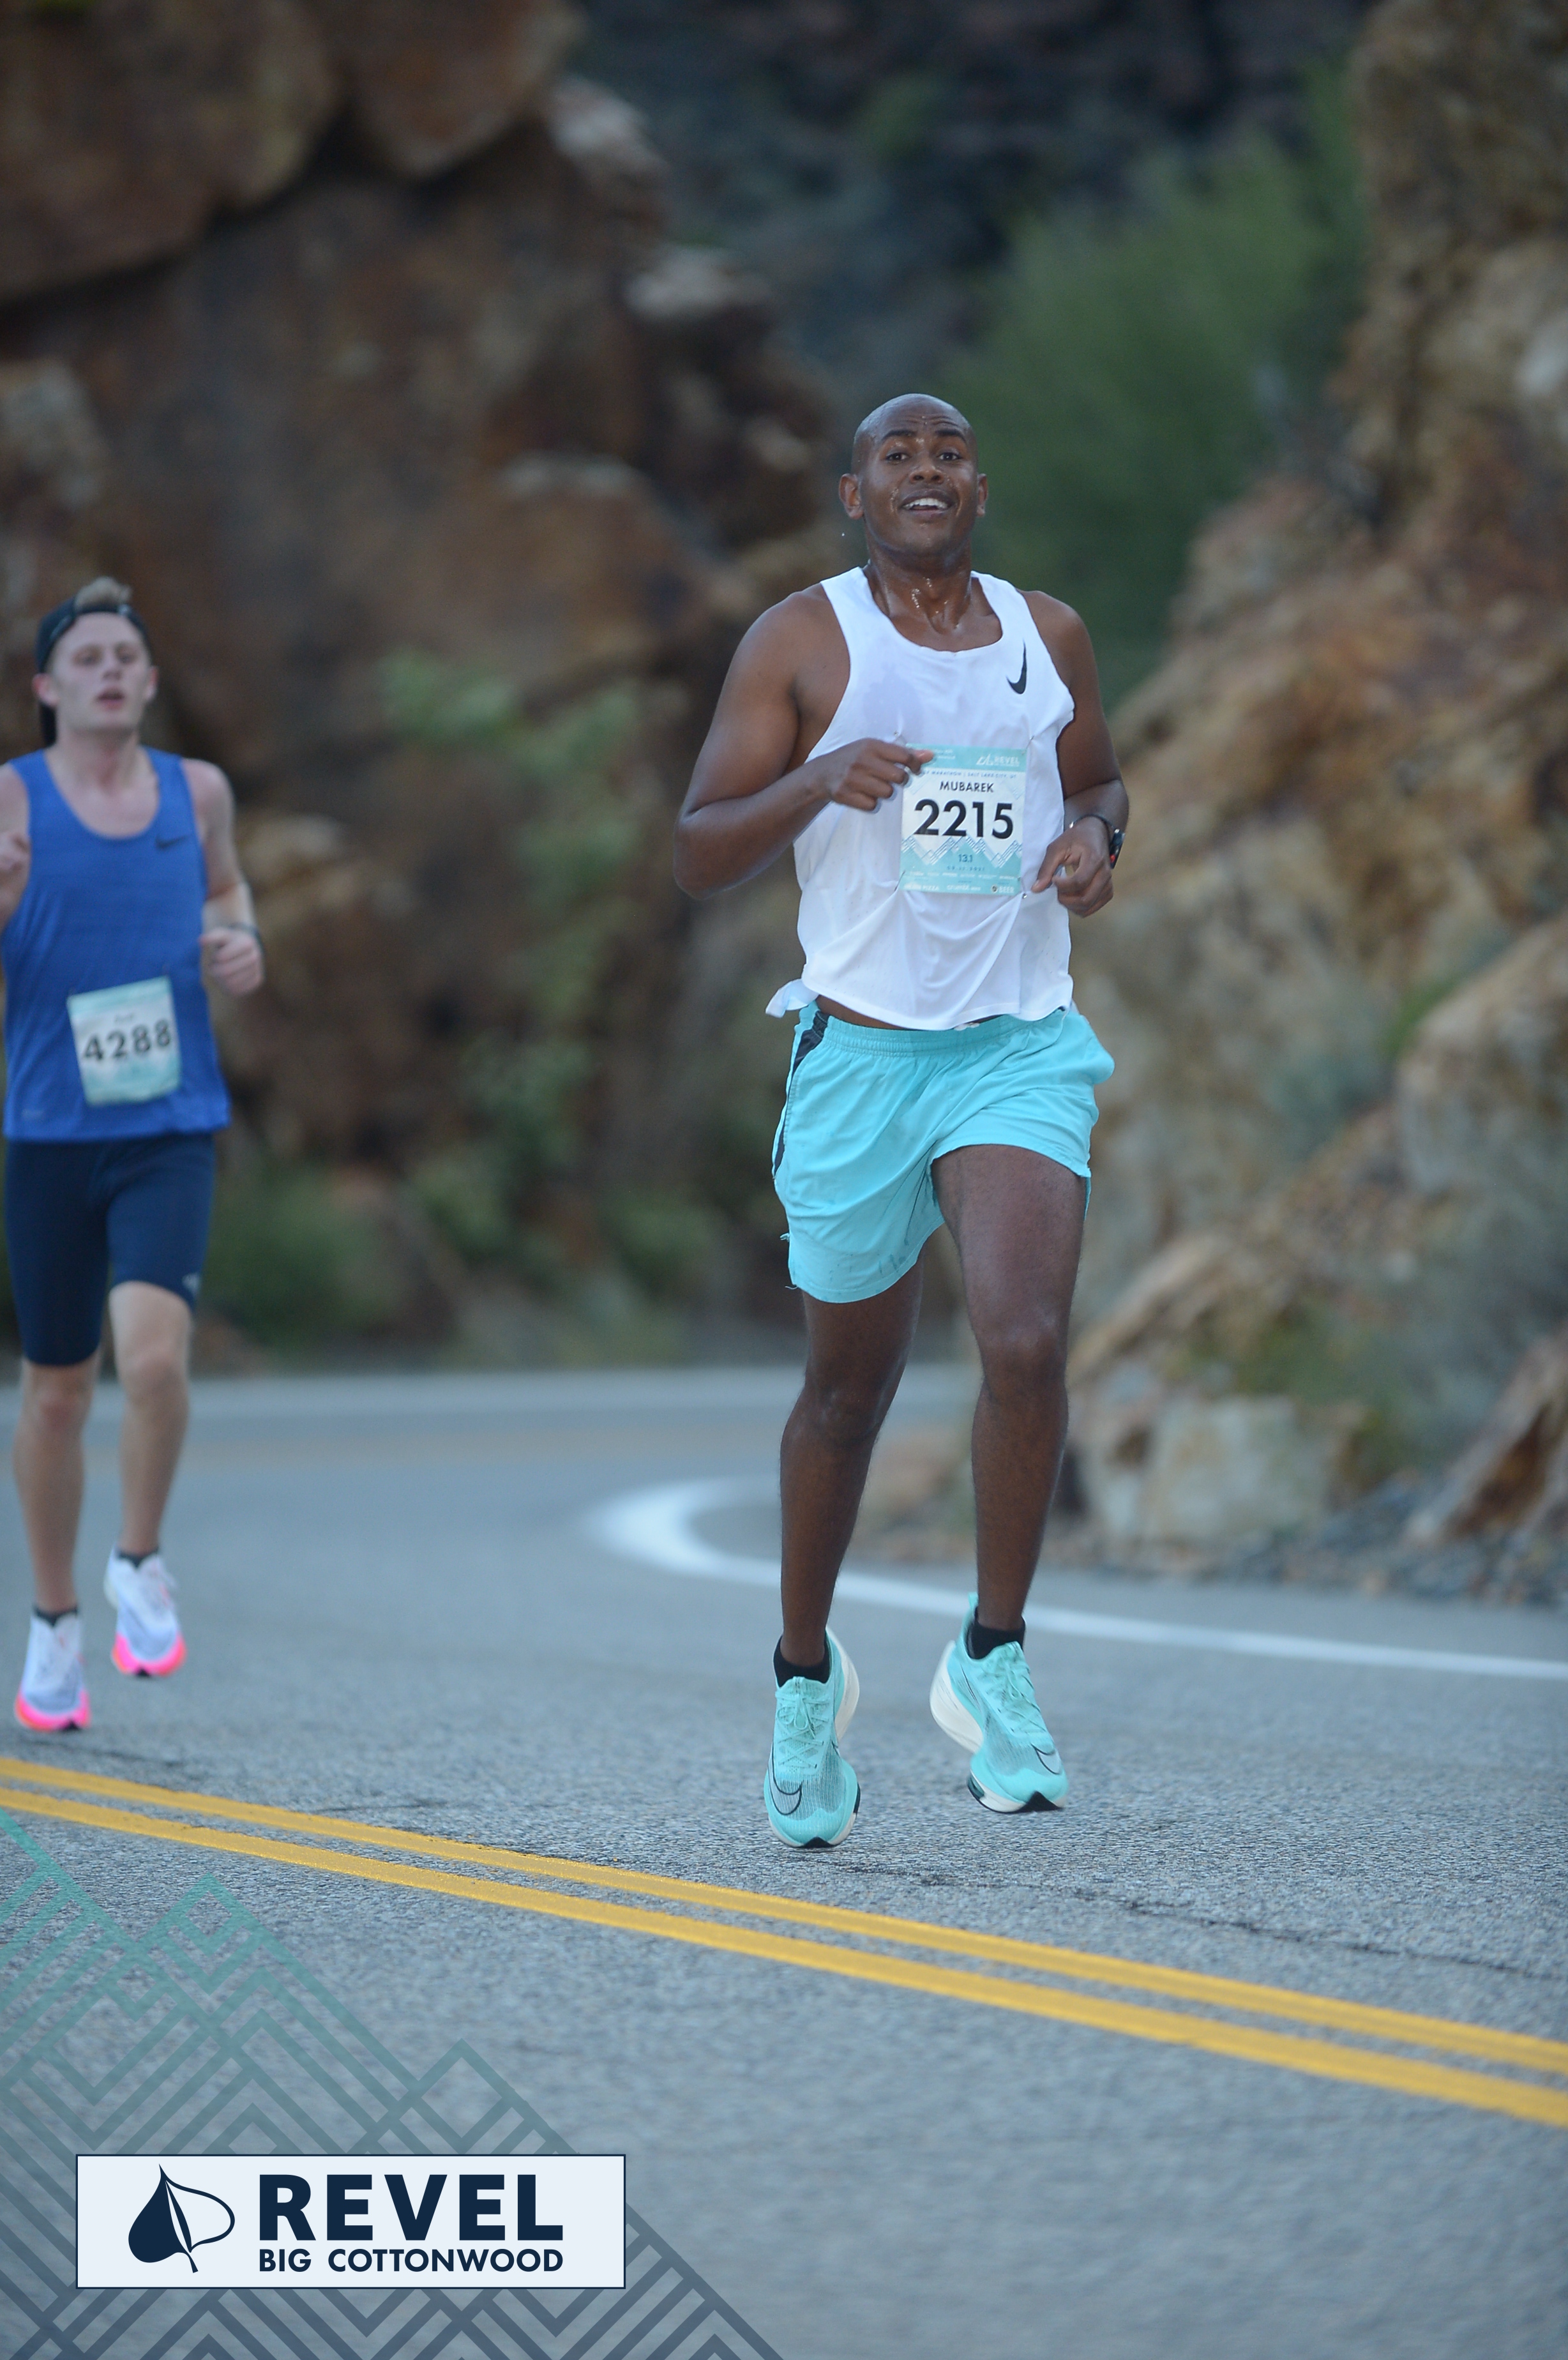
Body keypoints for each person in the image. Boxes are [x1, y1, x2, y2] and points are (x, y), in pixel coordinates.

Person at [674, 396, 1127, 1845]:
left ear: (978, 489)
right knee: (846, 1394)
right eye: (898, 457)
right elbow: (697, 849)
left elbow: (1099, 781)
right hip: (861, 1055)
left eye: (949, 455)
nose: (926, 471)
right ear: (855, 495)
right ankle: (805, 1678)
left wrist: (1094, 840)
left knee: (1025, 1342)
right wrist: (817, 777)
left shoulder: (1047, 635)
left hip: (1015, 1044)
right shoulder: (802, 641)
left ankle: (992, 1655)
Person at [1, 579, 264, 1732]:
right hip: (50, 1135)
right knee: (58, 1394)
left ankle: (138, 1560)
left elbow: (227, 887)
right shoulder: (11, 799)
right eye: (88, 657)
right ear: (48, 686)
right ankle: (54, 1622)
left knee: (153, 1365)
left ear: (150, 683)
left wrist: (240, 937)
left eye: (126, 657)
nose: (109, 671)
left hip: (167, 1127)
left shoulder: (196, 791)